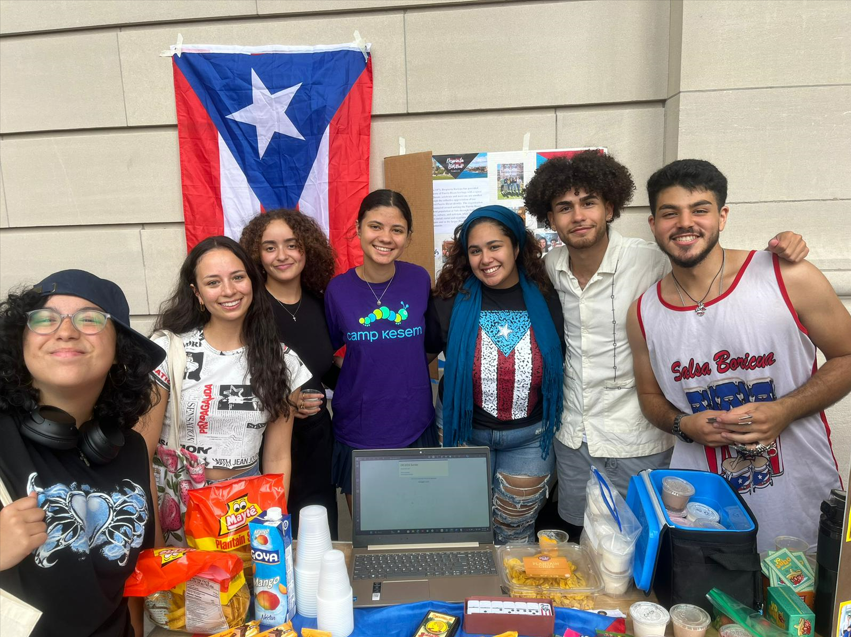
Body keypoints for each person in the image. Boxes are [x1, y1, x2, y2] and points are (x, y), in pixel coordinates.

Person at [524, 151, 810, 539]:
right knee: (583, 541)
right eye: (564, 207)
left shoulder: (652, 261)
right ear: (550, 217)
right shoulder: (548, 269)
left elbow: (712, 264)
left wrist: (782, 247)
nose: (578, 216)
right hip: (573, 437)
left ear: (610, 207)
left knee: (643, 543)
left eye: (589, 203)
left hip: (639, 437)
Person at [627, 159, 851, 550]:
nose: (685, 223)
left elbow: (846, 356)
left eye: (699, 209)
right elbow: (650, 399)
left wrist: (785, 410)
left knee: (807, 603)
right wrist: (684, 426)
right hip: (703, 513)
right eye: (670, 213)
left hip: (800, 498)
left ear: (722, 216)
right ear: (653, 225)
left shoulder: (787, 276)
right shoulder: (643, 312)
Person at [0, 270, 166, 637]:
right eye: (44, 319)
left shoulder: (129, 448)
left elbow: (130, 585)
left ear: (120, 350)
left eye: (90, 319)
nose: (66, 331)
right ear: (20, 342)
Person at [138, 237, 310, 510]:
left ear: (252, 281)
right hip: (174, 501)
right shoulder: (166, 351)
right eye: (213, 282)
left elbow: (277, 458)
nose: (229, 290)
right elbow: (140, 456)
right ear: (198, 294)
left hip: (243, 505)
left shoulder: (284, 361)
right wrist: (155, 534)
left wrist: (273, 521)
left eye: (238, 277)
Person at [428, 205, 564, 543]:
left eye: (495, 246)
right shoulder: (447, 299)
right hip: (462, 432)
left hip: (530, 438)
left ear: (516, 248)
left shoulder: (549, 298)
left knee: (514, 537)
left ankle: (507, 598)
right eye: (475, 250)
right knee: (459, 529)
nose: (485, 258)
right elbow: (419, 355)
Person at [324, 190, 437, 509]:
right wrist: (362, 376)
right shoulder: (338, 290)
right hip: (359, 429)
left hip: (414, 423)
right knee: (369, 534)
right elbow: (328, 352)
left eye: (397, 230)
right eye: (375, 226)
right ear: (358, 228)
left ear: (408, 237)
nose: (385, 237)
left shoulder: (418, 279)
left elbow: (424, 345)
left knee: (418, 527)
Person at [240, 209, 339, 539]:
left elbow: (323, 370)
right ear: (257, 255)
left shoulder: (321, 304)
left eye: (291, 245)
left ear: (307, 250)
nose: (282, 255)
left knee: (320, 541)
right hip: (266, 446)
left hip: (316, 442)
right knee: (275, 544)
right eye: (270, 247)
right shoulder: (248, 310)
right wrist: (283, 401)